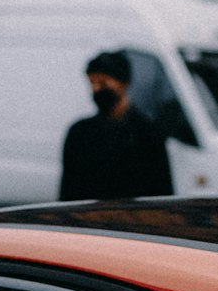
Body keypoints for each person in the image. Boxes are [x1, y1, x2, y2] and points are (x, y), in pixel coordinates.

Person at [59, 49, 173, 201]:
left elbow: (161, 193)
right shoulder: (80, 133)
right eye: (92, 83)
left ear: (123, 83)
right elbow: (68, 192)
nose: (96, 89)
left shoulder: (147, 134)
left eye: (103, 83)